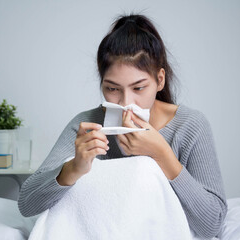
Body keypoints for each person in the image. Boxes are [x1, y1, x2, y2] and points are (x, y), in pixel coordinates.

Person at [18, 14, 227, 239]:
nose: (126, 103)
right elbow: (27, 204)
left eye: (138, 88)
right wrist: (74, 168)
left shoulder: (189, 126)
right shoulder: (88, 126)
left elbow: (213, 224)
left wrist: (162, 154)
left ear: (160, 80)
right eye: (113, 89)